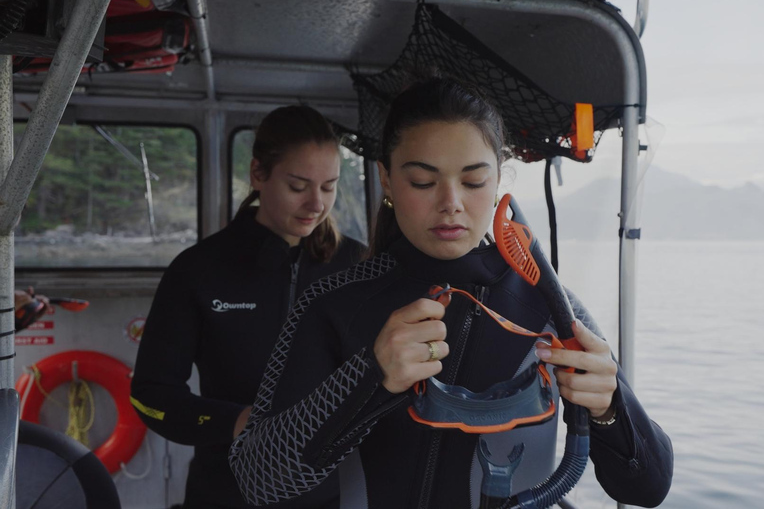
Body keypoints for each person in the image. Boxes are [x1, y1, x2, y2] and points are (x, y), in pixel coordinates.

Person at [228, 78, 674, 509]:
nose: (451, 202)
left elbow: (648, 489)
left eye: (474, 181)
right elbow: (257, 479)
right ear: (386, 179)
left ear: (499, 177)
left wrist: (609, 408)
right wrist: (371, 376)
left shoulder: (551, 308)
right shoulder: (332, 302)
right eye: (423, 181)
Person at [130, 105, 366, 509]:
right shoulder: (199, 270)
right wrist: (237, 421)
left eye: (329, 187)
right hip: (225, 493)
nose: (316, 204)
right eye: (298, 186)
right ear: (258, 174)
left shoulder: (356, 266)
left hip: (325, 496)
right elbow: (151, 395)